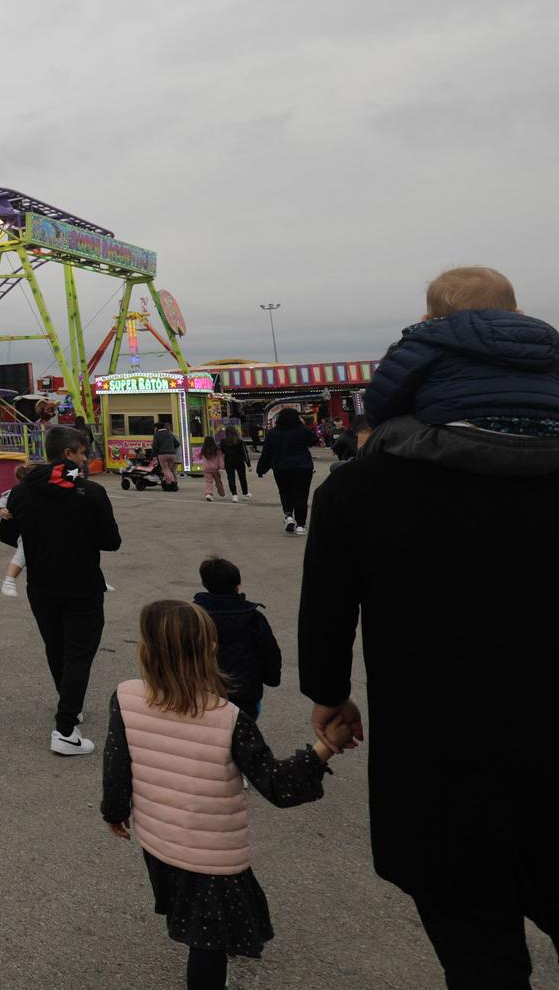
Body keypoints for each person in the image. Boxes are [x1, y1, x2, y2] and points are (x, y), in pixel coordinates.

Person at [300, 319, 559, 984]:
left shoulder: (357, 491)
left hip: (442, 779)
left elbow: (327, 618)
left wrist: (330, 699)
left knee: (479, 963)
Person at [101, 600, 336, 990]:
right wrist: (325, 747)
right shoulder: (228, 718)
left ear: (146, 650)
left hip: (159, 839)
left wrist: (114, 812)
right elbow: (278, 785)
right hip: (211, 852)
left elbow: (116, 765)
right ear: (209, 651)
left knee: (198, 915)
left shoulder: (126, 697)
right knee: (204, 942)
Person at [0, 424, 120, 755]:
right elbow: (111, 541)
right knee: (79, 654)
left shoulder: (21, 492)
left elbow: (8, 536)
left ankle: (71, 706)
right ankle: (65, 730)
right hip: (82, 584)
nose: (85, 459)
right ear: (69, 453)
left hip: (41, 585)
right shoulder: (91, 493)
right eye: (83, 452)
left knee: (56, 648)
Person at [362, 265, 559, 437]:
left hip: (459, 438)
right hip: (548, 438)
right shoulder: (548, 342)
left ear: (426, 320)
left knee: (388, 433)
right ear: (519, 314)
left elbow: (382, 400)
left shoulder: (426, 342)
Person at [191, 557, 281, 719]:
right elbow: (269, 651)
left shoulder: (192, 617)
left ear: (204, 584)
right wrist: (272, 677)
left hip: (203, 691)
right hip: (245, 692)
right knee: (243, 735)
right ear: (237, 585)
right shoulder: (253, 617)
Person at [254, 409, 316, 535]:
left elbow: (267, 452)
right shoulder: (302, 431)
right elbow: (314, 440)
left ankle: (288, 516)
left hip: (281, 467)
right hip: (302, 467)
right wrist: (303, 426)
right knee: (301, 495)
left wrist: (261, 469)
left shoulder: (273, 433)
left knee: (285, 492)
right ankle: (300, 525)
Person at [0, 461, 36, 598]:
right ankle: (9, 580)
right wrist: (1, 509)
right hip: (25, 530)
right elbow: (2, 501)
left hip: (40, 528)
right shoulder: (17, 491)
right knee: (24, 550)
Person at [218, 425, 250, 502]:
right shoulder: (240, 442)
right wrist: (248, 464)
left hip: (228, 461)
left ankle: (234, 495)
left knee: (231, 478)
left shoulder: (223, 442)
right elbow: (244, 453)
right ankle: (245, 493)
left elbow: (222, 451)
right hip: (239, 461)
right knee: (242, 478)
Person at [151, 418, 182, 491]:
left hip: (162, 454)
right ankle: (174, 484)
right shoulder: (170, 433)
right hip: (172, 454)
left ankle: (169, 485)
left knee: (165, 469)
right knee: (169, 470)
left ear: (157, 428)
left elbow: (155, 446)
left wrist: (154, 454)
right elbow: (177, 444)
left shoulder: (157, 434)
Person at [198, 434, 226, 501]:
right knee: (218, 481)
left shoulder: (203, 449)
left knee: (208, 481)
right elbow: (220, 460)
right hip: (215, 468)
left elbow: (199, 457)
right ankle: (221, 492)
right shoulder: (217, 450)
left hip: (206, 468)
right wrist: (221, 468)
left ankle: (208, 493)